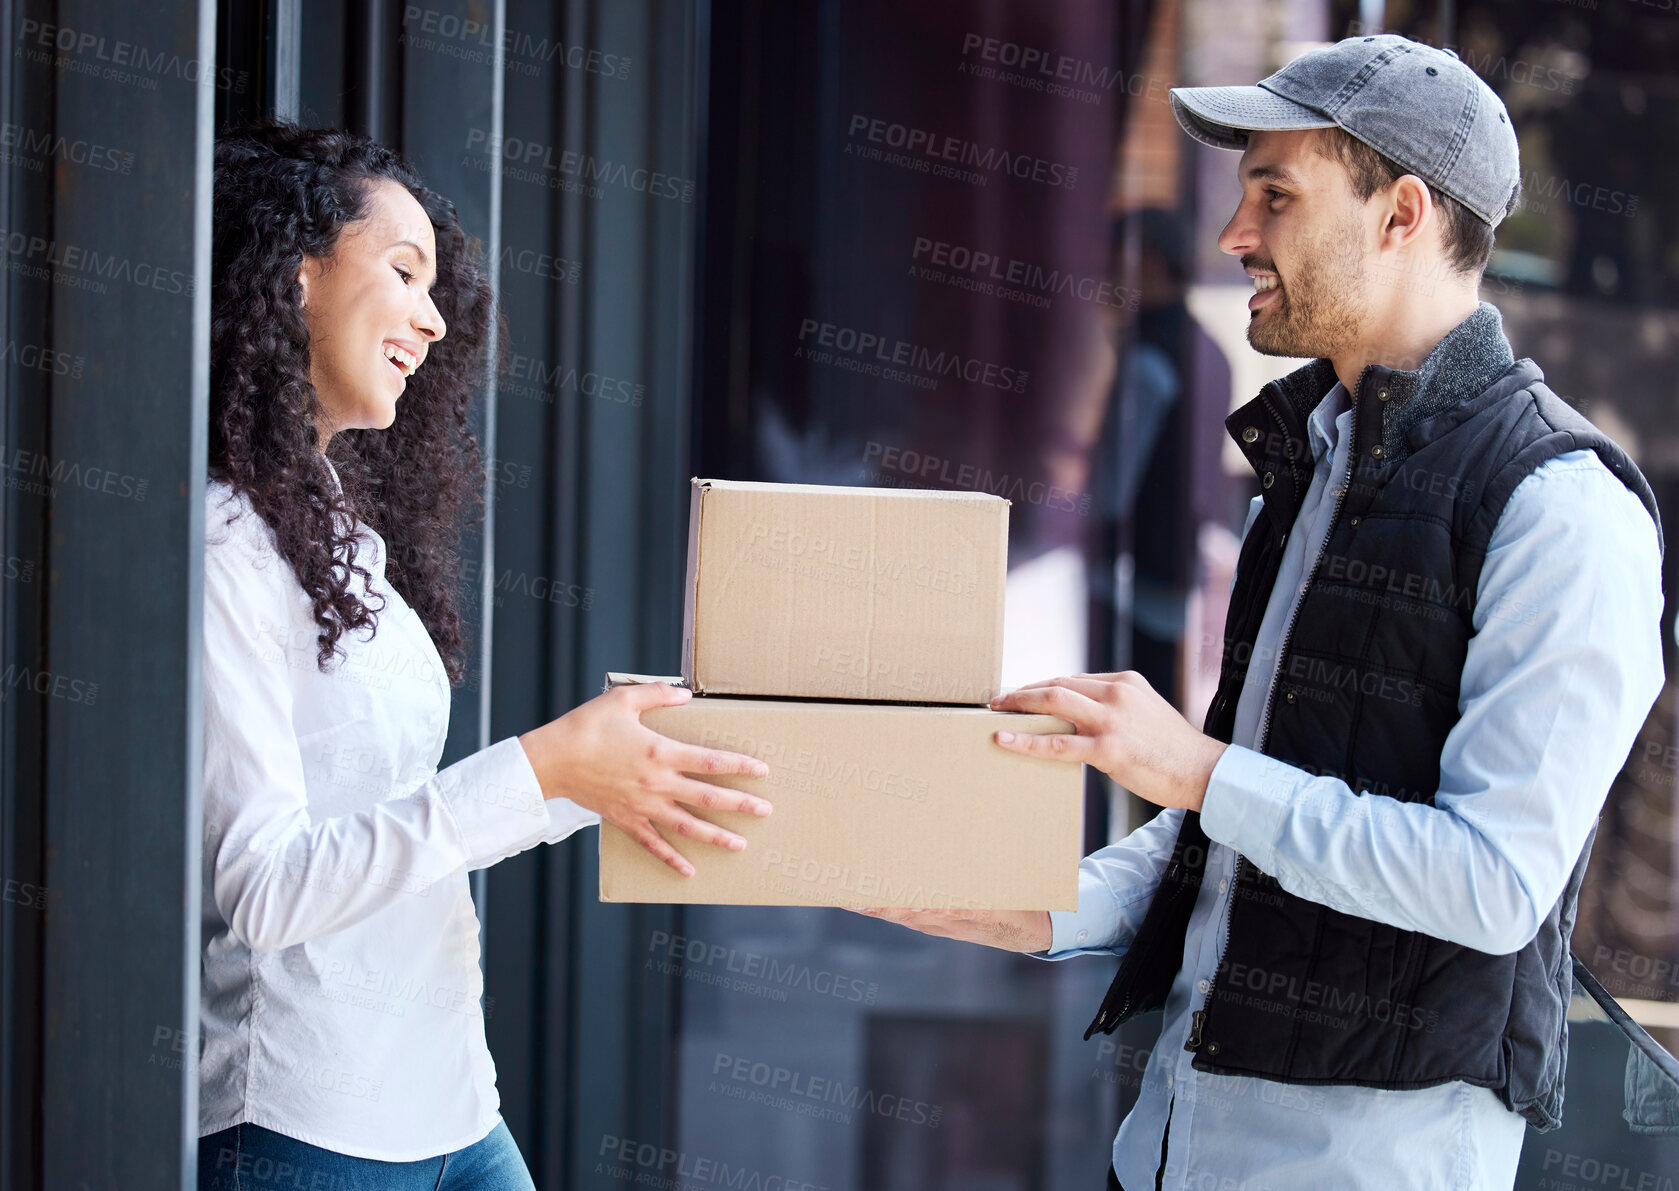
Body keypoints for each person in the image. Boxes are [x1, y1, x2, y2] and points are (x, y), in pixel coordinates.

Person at [860, 33, 1666, 1191]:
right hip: (1168, 1154)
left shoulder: (1558, 510)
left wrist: (1187, 767)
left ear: (1400, 214)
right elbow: (1246, 814)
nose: (1232, 234)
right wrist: (1030, 907)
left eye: (1274, 195)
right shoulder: (1315, 464)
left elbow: (1487, 886)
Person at [198, 123, 772, 1190]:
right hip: (305, 1128)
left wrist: (604, 772)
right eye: (403, 272)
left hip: (453, 1103)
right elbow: (266, 891)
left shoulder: (335, 528)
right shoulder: (223, 541)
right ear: (294, 273)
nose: (432, 317)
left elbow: (411, 812)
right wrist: (545, 769)